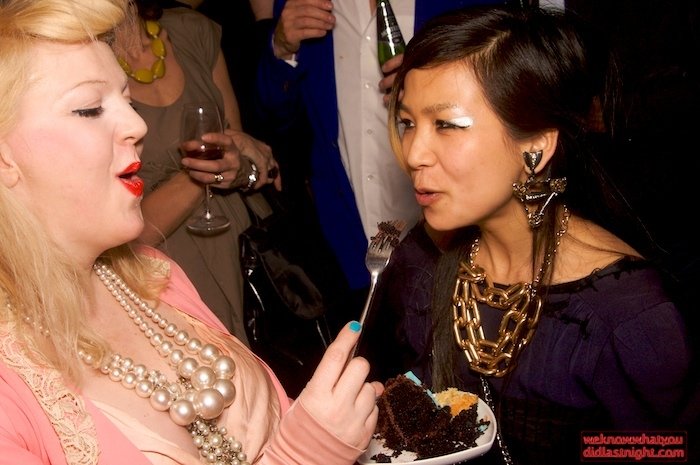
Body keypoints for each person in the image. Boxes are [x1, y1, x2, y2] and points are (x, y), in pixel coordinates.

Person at [0, 0, 382, 464]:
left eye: (126, 99)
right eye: (89, 108)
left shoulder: (153, 276)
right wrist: (306, 453)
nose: (137, 125)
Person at [364, 5, 694, 464]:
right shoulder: (418, 262)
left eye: (447, 125)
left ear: (536, 145)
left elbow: (661, 450)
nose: (415, 152)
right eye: (407, 123)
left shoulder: (623, 318)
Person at [256, 0, 512, 327]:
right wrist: (281, 48)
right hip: (346, 246)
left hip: (455, 244)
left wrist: (435, 86)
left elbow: (509, 98)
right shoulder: (304, 4)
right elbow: (276, 121)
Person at [111, 0, 282, 342]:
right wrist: (202, 173)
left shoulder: (192, 30)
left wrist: (245, 167)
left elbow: (239, 146)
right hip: (167, 267)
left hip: (244, 244)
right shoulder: (81, 61)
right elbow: (123, 234)